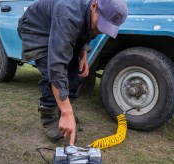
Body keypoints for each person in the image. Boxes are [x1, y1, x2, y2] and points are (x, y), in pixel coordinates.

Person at [17, 0, 128, 145]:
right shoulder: (68, 12)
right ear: (93, 6)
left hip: (61, 26)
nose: (99, 30)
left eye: (106, 28)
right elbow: (56, 67)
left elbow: (86, 31)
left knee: (74, 72)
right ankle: (49, 119)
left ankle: (63, 112)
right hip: (37, 29)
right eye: (101, 24)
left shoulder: (90, 15)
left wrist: (83, 55)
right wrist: (67, 112)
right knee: (52, 73)